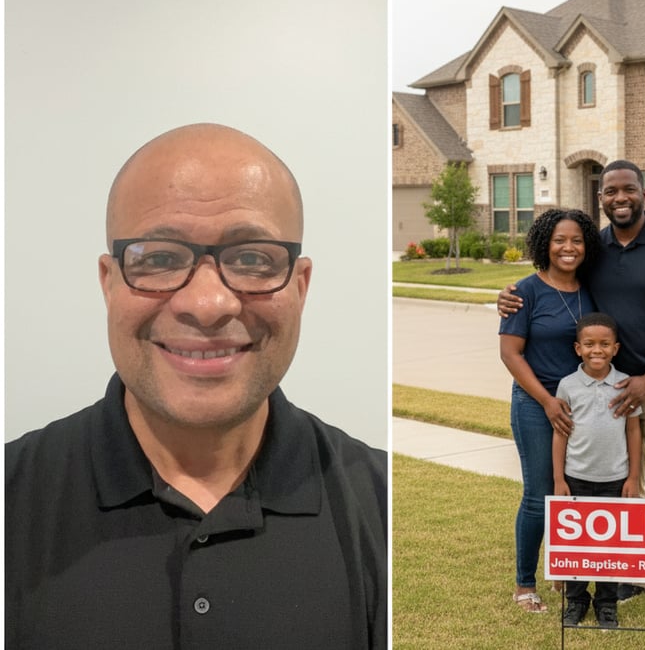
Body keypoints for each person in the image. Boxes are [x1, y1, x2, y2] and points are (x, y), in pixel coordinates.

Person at [5, 123, 387, 649]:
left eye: (253, 258)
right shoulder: (13, 497)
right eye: (159, 259)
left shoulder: (384, 509)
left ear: (300, 287)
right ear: (108, 282)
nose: (208, 304)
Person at [499, 159, 645, 630]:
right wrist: (508, 295)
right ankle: (625, 578)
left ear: (643, 192)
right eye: (610, 191)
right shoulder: (597, 249)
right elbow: (556, 272)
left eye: (628, 189)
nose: (619, 197)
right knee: (615, 490)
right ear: (602, 199)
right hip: (605, 395)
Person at [499, 208, 601, 614]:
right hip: (535, 404)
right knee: (540, 495)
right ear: (545, 243)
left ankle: (564, 570)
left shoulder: (592, 290)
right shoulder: (525, 292)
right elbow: (510, 354)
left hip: (586, 406)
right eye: (560, 240)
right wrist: (546, 400)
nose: (568, 247)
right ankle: (525, 584)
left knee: (575, 490)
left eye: (576, 240)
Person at [552, 312, 642, 629]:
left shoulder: (625, 384)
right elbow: (560, 432)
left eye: (604, 344)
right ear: (578, 348)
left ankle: (606, 604)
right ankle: (576, 601)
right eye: (589, 344)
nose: (597, 350)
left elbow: (633, 431)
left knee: (608, 547)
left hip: (614, 480)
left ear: (615, 348)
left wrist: (632, 477)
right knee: (576, 546)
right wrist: (559, 478)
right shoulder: (567, 386)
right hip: (576, 478)